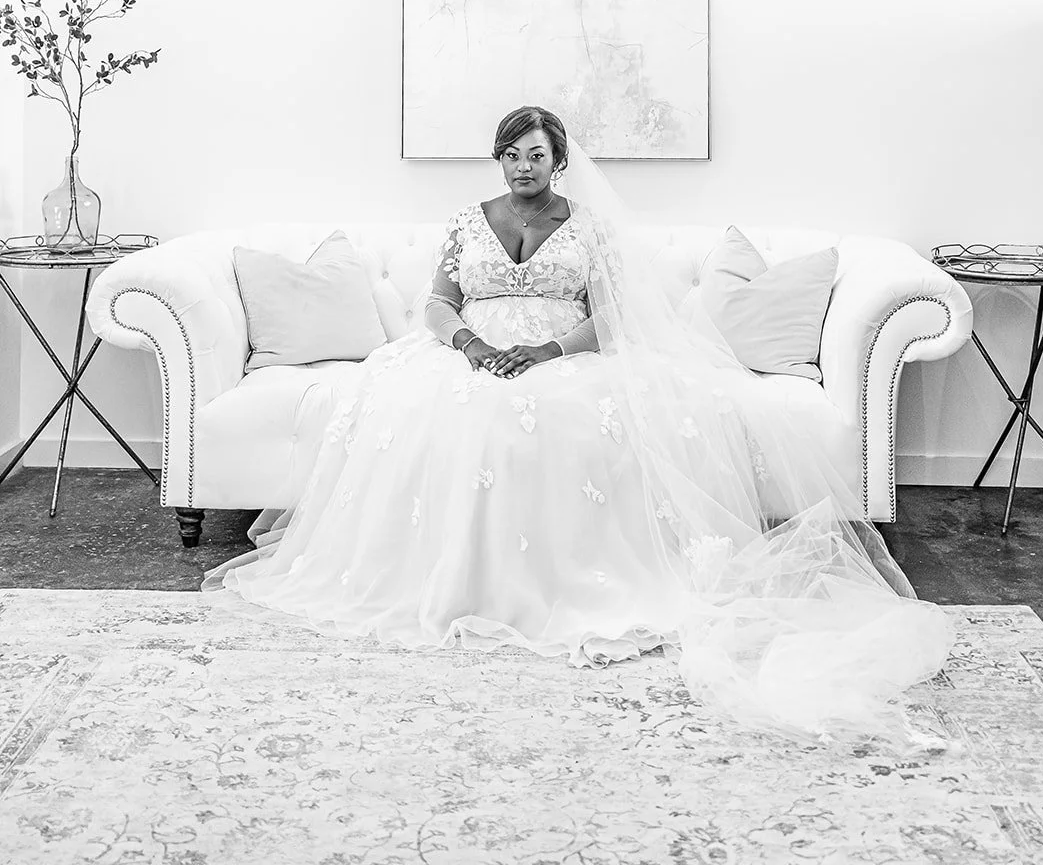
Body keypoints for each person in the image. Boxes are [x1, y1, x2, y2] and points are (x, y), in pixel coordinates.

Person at [202, 105, 952, 748]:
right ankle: (457, 581)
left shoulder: (586, 228)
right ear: (497, 158)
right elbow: (435, 304)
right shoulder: (469, 222)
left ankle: (572, 581)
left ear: (558, 162)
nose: (520, 166)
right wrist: (470, 346)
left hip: (564, 353)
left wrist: (547, 350)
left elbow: (614, 315)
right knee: (448, 417)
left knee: (576, 425)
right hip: (470, 354)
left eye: (535, 155)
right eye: (509, 154)